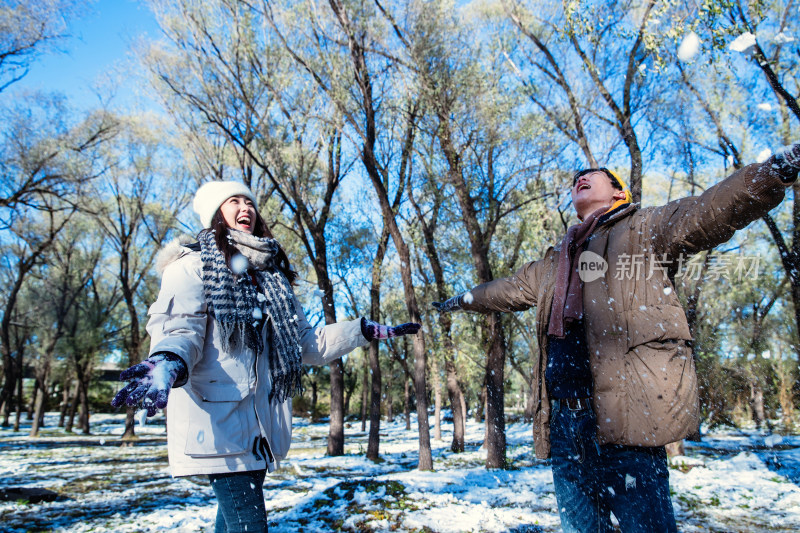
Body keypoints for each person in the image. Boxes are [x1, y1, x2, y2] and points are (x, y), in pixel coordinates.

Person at [433, 144, 800, 532]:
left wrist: (774, 171)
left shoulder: (644, 230)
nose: (581, 177)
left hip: (627, 418)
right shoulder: (552, 264)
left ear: (620, 193)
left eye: (594, 174)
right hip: (563, 424)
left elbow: (707, 210)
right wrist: (461, 301)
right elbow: (504, 290)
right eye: (576, 178)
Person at [112, 181, 420, 533]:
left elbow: (305, 343)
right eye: (234, 201)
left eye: (249, 202)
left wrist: (361, 330)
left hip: (259, 428)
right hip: (221, 422)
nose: (246, 207)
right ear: (217, 214)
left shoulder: (271, 278)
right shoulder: (192, 265)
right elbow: (180, 329)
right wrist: (168, 361)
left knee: (233, 526)